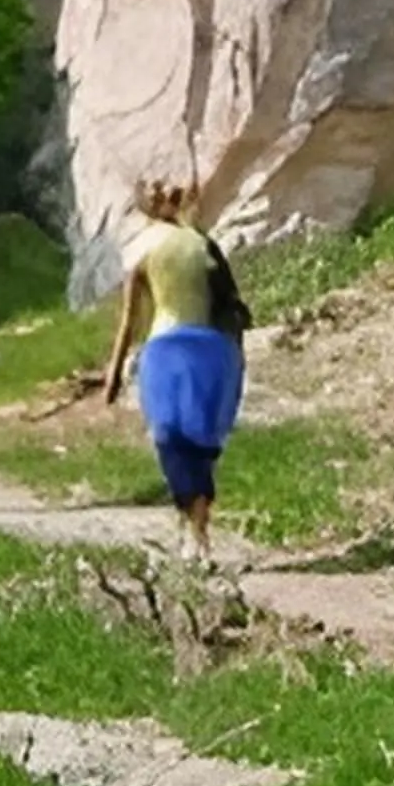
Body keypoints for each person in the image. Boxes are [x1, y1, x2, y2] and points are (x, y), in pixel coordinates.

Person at [101, 180, 248, 561]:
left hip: (174, 351)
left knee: (176, 438)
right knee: (193, 439)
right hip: (201, 350)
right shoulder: (199, 244)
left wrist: (114, 373)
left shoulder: (152, 249)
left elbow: (129, 321)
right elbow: (230, 306)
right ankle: (195, 524)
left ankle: (193, 525)